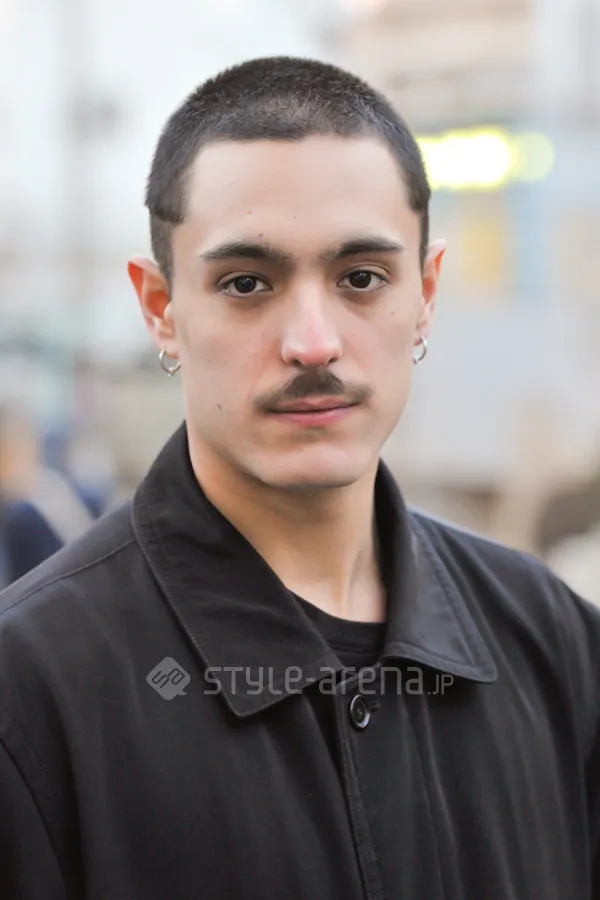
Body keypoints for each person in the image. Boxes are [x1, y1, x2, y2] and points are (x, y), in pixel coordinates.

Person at [0, 57, 598, 900]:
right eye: (247, 283)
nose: (313, 342)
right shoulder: (30, 695)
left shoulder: (555, 644)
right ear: (161, 309)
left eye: (362, 279)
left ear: (425, 293)